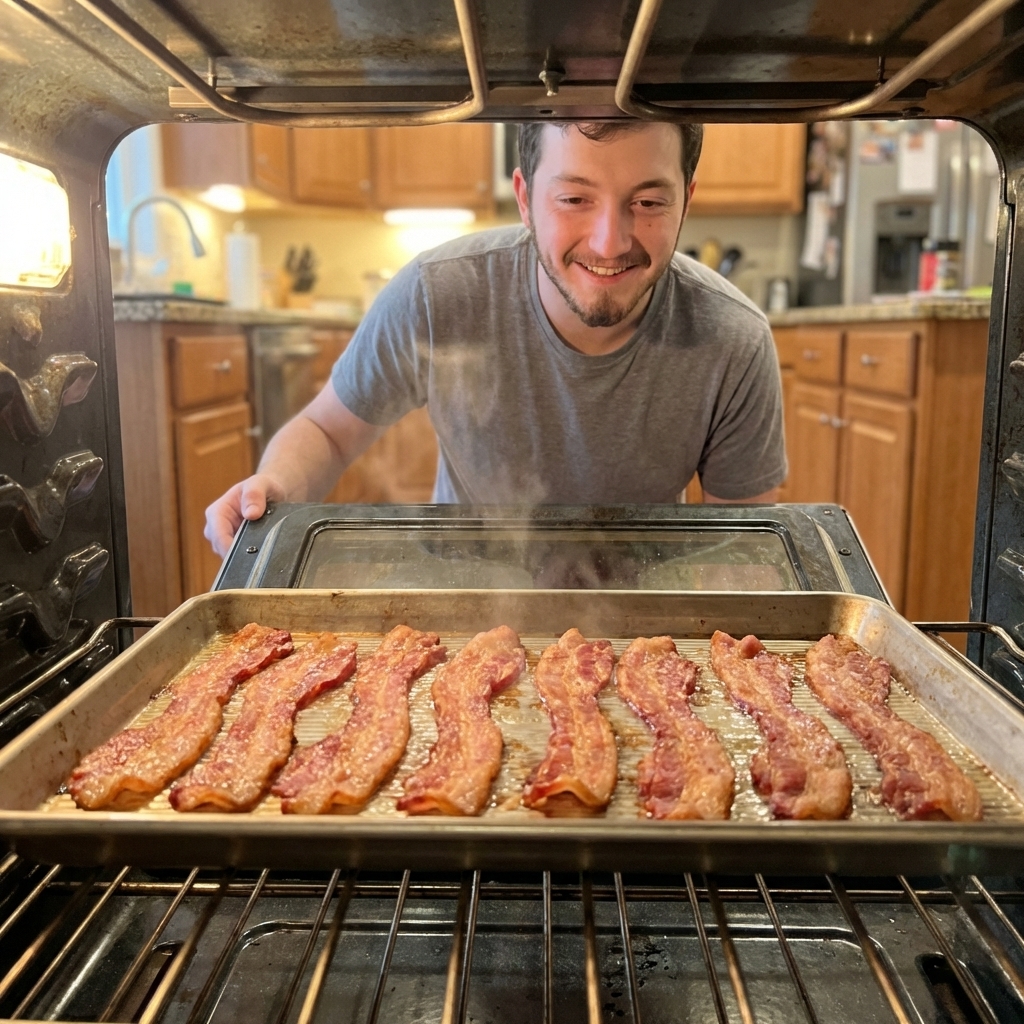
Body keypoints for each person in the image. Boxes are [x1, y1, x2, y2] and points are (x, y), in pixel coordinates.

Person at [205, 120, 786, 557]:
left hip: (646, 627)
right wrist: (274, 485)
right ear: (526, 198)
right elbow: (328, 433)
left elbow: (743, 548)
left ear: (688, 197)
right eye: (574, 199)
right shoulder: (438, 294)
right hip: (460, 606)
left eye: (648, 202)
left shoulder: (733, 338)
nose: (610, 242)